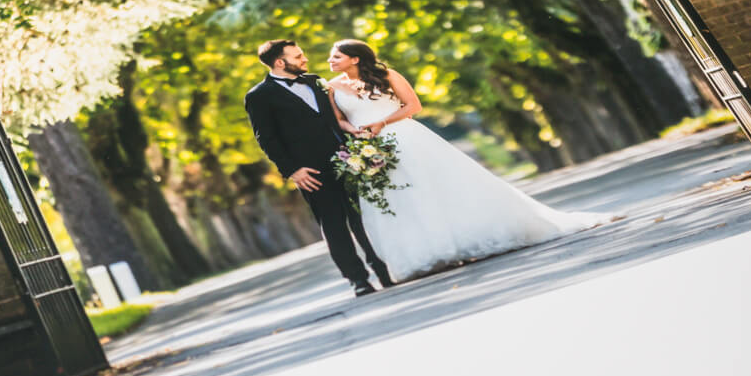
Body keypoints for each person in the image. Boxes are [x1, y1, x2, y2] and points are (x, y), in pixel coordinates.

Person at [322, 38, 614, 280]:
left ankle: (466, 239)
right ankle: (429, 252)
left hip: (407, 138)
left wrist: (382, 124)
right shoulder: (332, 87)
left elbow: (413, 105)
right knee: (401, 198)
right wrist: (358, 133)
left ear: (355, 59)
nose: (331, 60)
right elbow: (338, 120)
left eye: (336, 56)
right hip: (370, 146)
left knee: (437, 187)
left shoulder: (387, 76)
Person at [244, 39, 394, 297]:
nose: (305, 60)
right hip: (310, 171)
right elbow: (266, 138)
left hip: (348, 160)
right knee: (334, 225)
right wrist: (292, 170)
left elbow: (338, 119)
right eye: (298, 56)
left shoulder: (316, 82)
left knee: (364, 218)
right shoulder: (259, 96)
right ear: (280, 62)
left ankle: (383, 270)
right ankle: (357, 279)